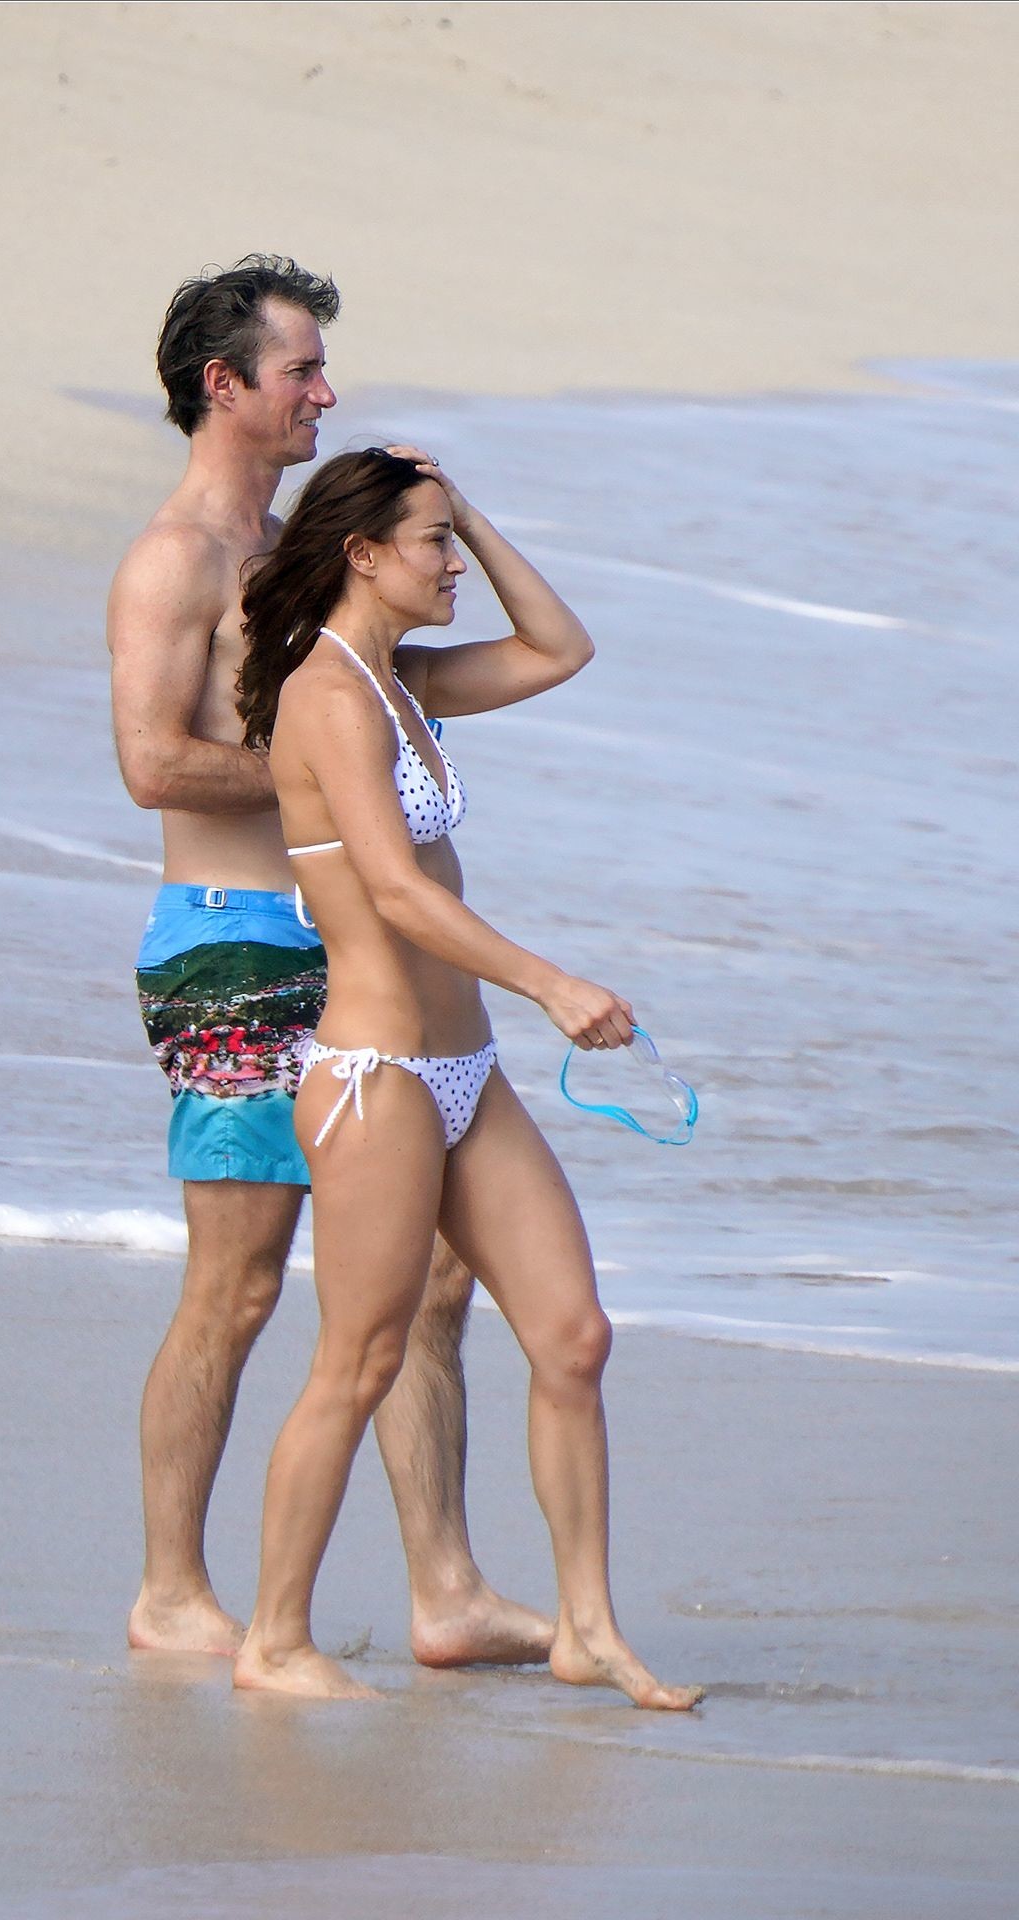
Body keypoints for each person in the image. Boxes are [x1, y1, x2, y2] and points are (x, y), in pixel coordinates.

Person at [108, 256, 549, 1664]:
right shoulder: (176, 559)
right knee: (239, 1282)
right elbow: (151, 763)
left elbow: (457, 675)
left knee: (430, 1274)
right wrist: (325, 782)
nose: (325, 393)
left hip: (360, 946)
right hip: (235, 948)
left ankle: (446, 1591)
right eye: (301, 370)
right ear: (223, 385)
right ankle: (171, 1592)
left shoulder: (316, 546)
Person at [229, 446, 705, 1708]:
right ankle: (273, 1641)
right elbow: (391, 892)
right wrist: (549, 982)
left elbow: (559, 647)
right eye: (432, 544)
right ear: (361, 555)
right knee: (360, 1359)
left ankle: (585, 1627)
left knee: (571, 1336)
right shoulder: (326, 697)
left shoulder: (405, 684)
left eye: (450, 540)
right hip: (377, 1074)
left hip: (463, 1071)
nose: (452, 567)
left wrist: (471, 513)